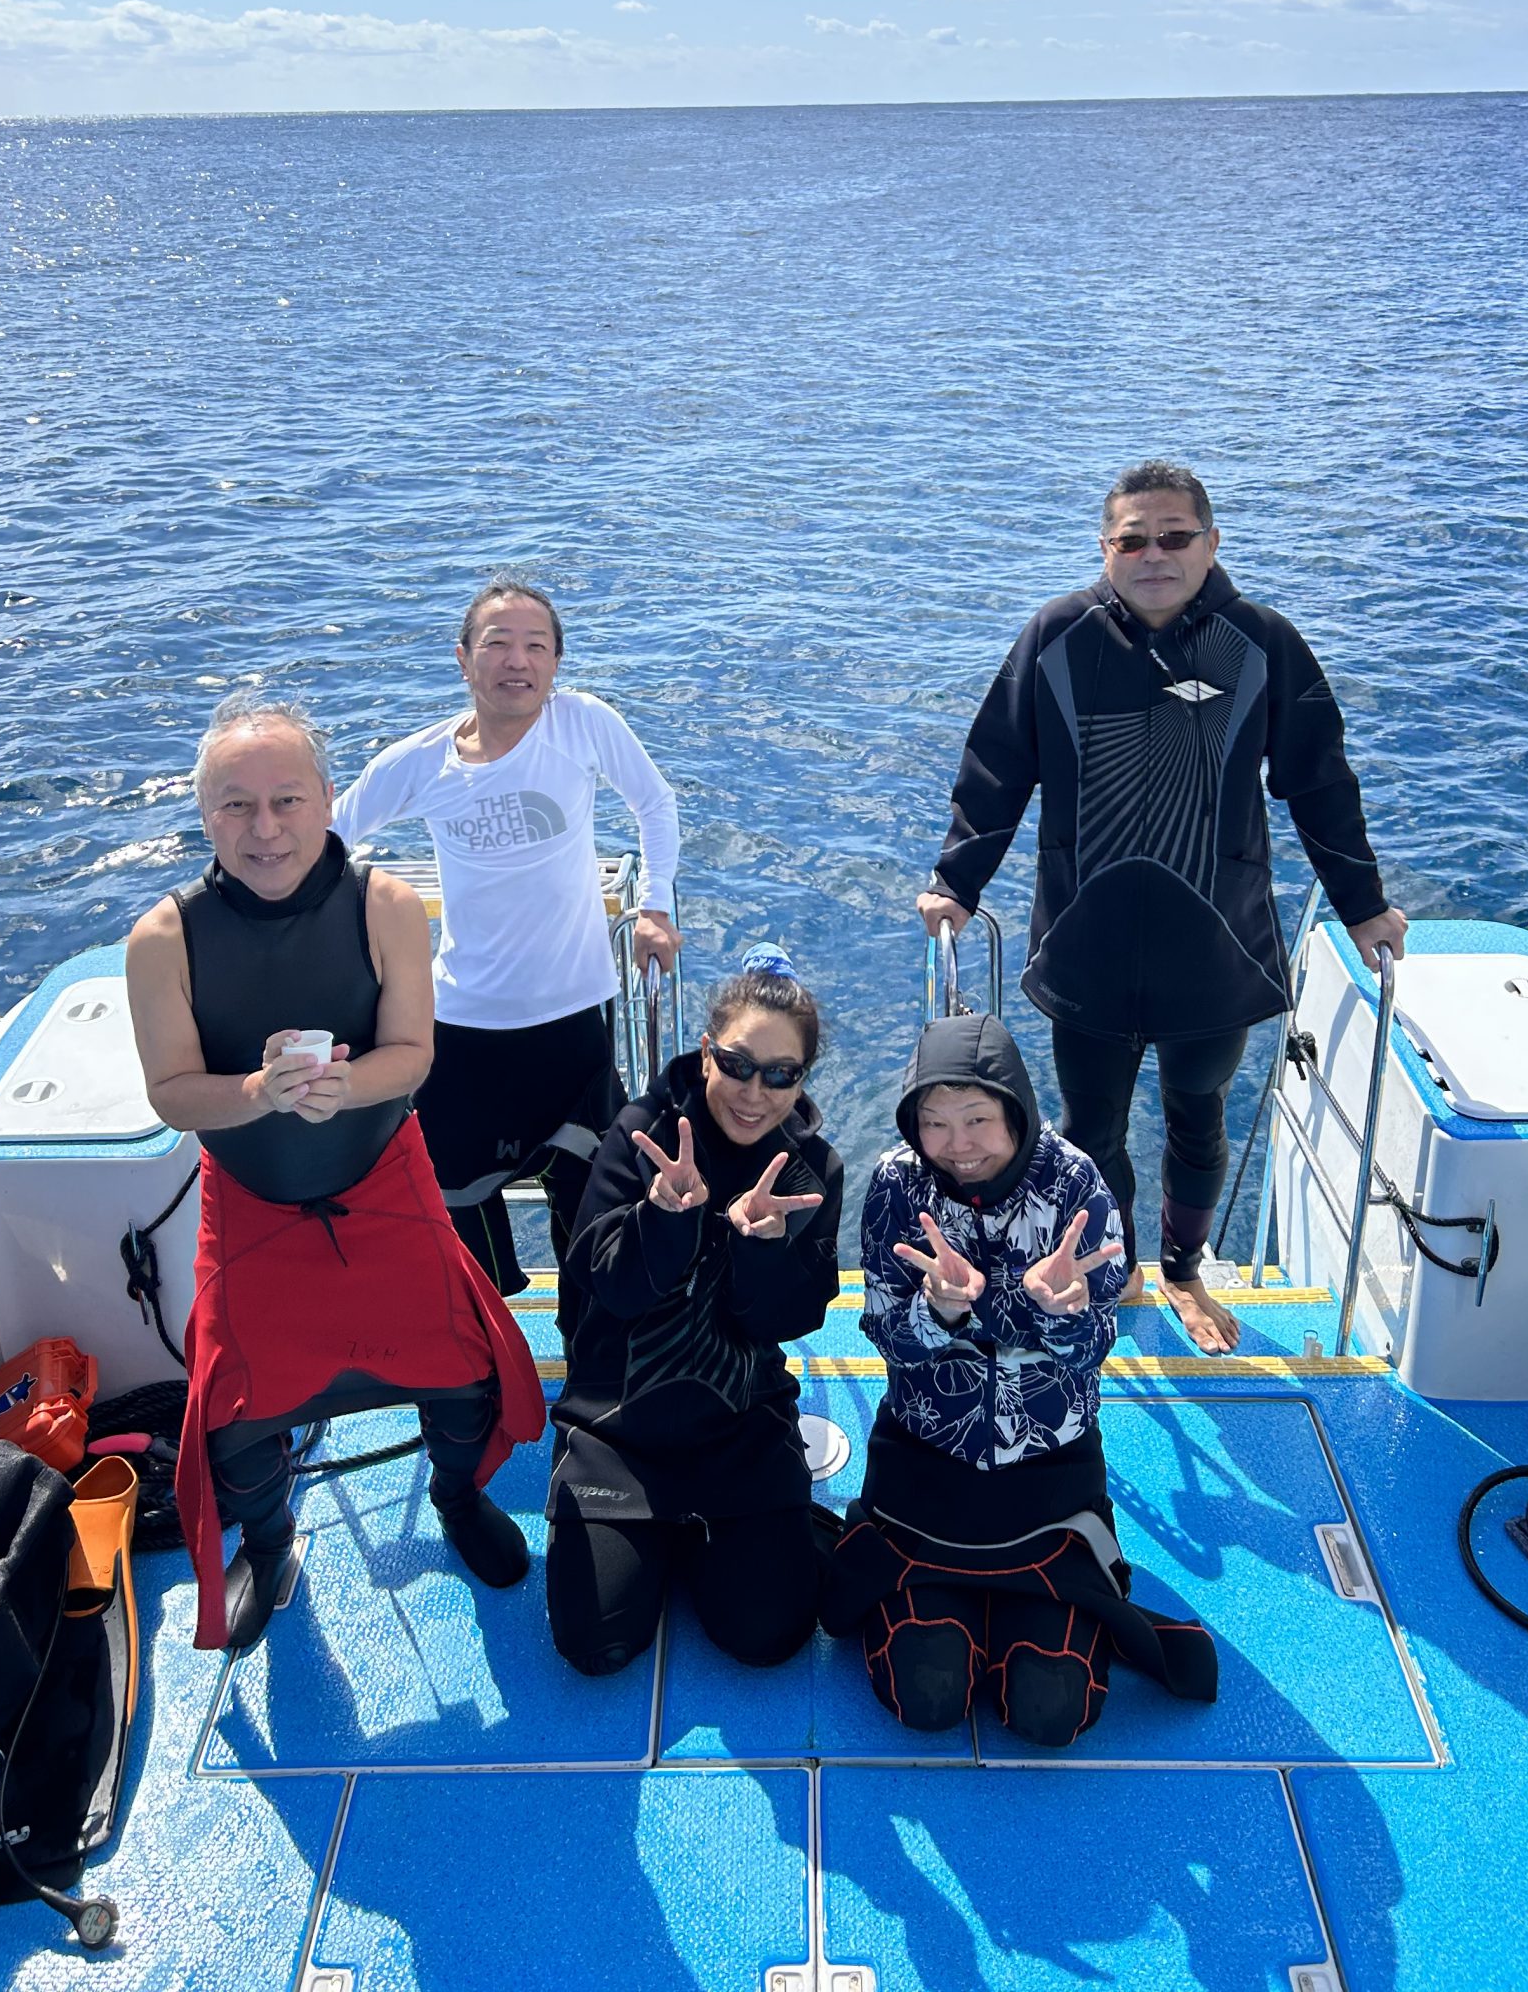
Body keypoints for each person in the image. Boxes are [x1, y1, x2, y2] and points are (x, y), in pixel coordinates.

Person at [916, 460, 1406, 1353]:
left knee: (1197, 1117)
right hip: (1085, 943)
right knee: (1089, 1128)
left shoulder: (1262, 642)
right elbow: (996, 768)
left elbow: (1320, 783)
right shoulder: (1056, 636)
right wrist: (957, 882)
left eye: (1174, 536)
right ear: (1105, 549)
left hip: (1214, 949)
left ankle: (1182, 1271)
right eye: (1132, 539)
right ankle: (1117, 1267)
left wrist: (1363, 904)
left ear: (1211, 544)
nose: (1154, 554)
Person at [126, 690, 546, 1654]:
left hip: (382, 1182)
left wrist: (345, 1086)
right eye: (237, 805)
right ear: (204, 816)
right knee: (236, 1413)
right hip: (251, 1203)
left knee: (460, 1373)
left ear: (326, 800)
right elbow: (172, 1094)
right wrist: (256, 1093)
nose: (265, 828)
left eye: (287, 800)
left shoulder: (384, 905)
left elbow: (413, 1055)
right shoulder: (164, 940)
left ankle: (457, 1498)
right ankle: (270, 1545)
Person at [820, 1013, 1217, 1746]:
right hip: (925, 1469)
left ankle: (1032, 1609)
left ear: (1016, 1111)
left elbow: (1092, 1352)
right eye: (934, 1123)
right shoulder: (896, 1184)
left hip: (1048, 1479)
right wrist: (938, 1311)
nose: (957, 1144)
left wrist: (1060, 1314)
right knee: (927, 1693)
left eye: (977, 1119)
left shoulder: (1076, 1184)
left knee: (1050, 1706)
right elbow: (884, 1335)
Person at [333, 580, 681, 1296]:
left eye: (535, 646)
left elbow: (654, 801)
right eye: (497, 644)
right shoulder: (421, 760)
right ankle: (488, 1343)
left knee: (595, 1208)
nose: (516, 661)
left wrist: (654, 907)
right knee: (455, 1213)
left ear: (555, 663)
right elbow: (330, 837)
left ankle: (591, 1341)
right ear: (464, 659)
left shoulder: (582, 723)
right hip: (465, 1028)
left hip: (574, 1022)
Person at [545, 951, 842, 1678]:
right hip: (617, 1425)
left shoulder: (811, 1172)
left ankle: (746, 1527)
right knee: (596, 1644)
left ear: (802, 1078)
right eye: (738, 1065)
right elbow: (606, 1288)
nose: (755, 1093)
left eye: (781, 1074)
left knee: (769, 1636)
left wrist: (763, 1250)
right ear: (707, 1052)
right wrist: (664, 1219)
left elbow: (790, 1319)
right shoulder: (643, 1133)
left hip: (739, 1424)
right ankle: (664, 1537)